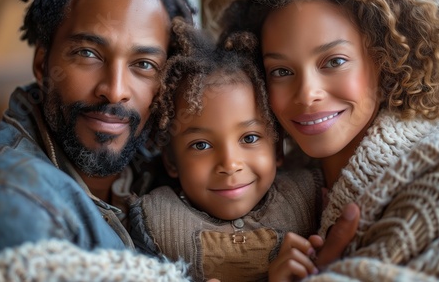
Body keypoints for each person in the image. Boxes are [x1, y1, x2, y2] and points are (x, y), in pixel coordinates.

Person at [217, 0, 439, 281]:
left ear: (386, 58)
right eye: (281, 71)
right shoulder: (260, 188)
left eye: (334, 61)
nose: (307, 93)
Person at [0, 0, 196, 266]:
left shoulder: (162, 167)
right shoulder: (0, 196)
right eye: (88, 54)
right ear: (42, 64)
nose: (115, 91)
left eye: (144, 64)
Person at [128, 17, 326, 282]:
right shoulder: (157, 223)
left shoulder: (306, 200)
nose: (230, 164)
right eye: (201, 145)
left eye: (250, 138)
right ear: (172, 161)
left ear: (277, 149)